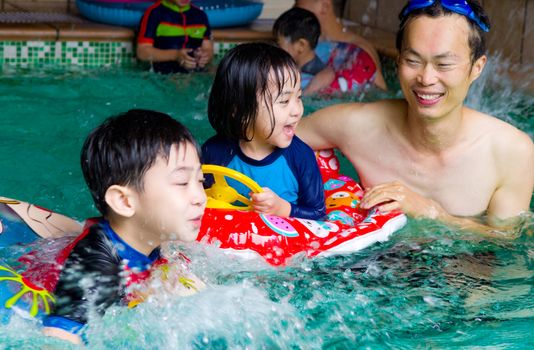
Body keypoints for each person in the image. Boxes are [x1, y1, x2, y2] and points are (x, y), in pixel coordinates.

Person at [297, 0, 534, 237]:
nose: (426, 78)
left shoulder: (511, 152)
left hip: (463, 269)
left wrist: (434, 214)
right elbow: (268, 140)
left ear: (477, 67)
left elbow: (507, 242)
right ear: (399, 60)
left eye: (444, 64)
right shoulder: (356, 125)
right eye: (413, 61)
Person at [42, 109, 207, 344]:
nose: (200, 197)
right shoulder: (97, 267)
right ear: (124, 201)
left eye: (200, 181)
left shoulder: (150, 238)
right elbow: (57, 338)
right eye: (182, 182)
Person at [202, 43, 326, 220]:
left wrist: (282, 208)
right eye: (284, 101)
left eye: (298, 97)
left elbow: (318, 213)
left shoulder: (300, 156)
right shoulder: (214, 152)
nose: (297, 110)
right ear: (241, 111)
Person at [274, 7, 377, 96]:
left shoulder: (311, 65)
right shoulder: (300, 64)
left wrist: (306, 94)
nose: (276, 48)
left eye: (279, 44)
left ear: (301, 45)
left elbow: (328, 74)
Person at [294, 0, 387, 90]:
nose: (293, 10)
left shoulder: (359, 51)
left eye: (298, 4)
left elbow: (382, 99)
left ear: (324, 6)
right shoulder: (314, 45)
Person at [137, 0, 214, 74]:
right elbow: (142, 52)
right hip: (165, 73)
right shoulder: (154, 13)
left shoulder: (200, 15)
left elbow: (208, 49)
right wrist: (175, 55)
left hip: (195, 72)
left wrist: (204, 57)